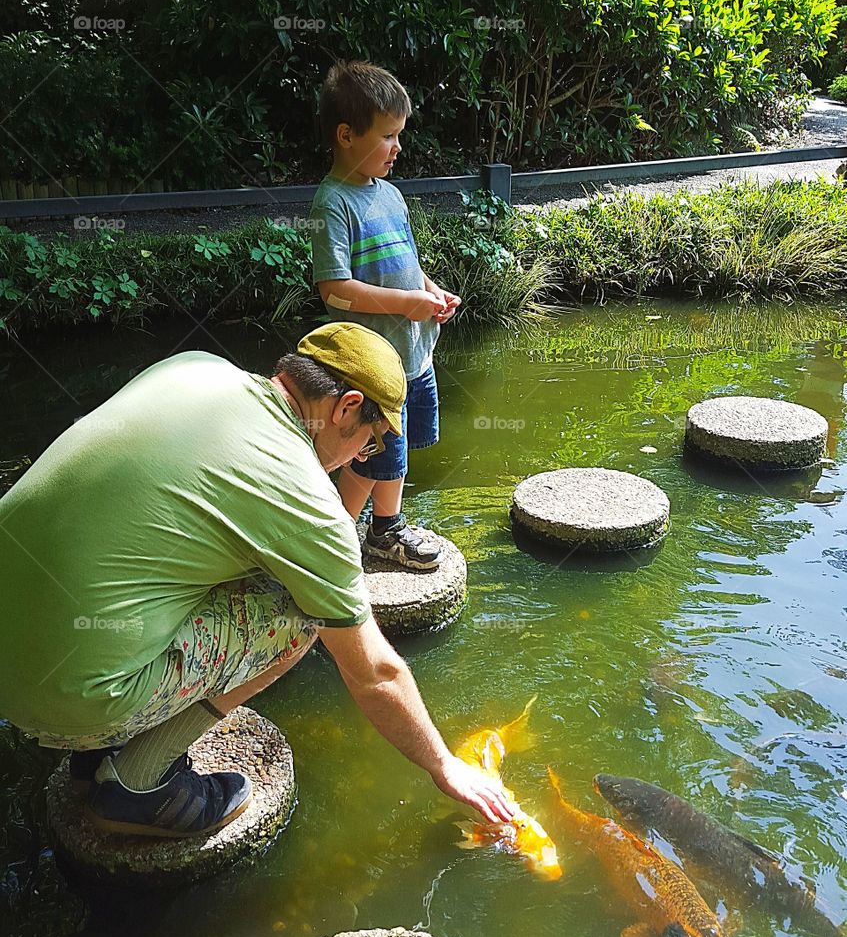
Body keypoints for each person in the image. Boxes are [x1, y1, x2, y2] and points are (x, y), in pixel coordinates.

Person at [0, 324, 513, 839]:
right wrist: (445, 766)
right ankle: (134, 783)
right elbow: (374, 672)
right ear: (346, 406)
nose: (362, 457)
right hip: (57, 699)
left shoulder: (196, 366)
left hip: (14, 656)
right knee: (301, 612)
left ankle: (94, 752)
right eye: (369, 439)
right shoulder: (306, 500)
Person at [310, 60, 461, 570]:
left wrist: (432, 294)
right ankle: (330, 543)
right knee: (368, 457)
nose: (398, 147)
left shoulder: (390, 195)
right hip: (371, 367)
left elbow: (409, 264)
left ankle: (384, 529)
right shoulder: (333, 204)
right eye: (388, 136)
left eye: (401, 135)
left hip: (413, 355)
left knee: (397, 453)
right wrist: (406, 304)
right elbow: (336, 289)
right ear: (346, 135)